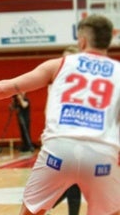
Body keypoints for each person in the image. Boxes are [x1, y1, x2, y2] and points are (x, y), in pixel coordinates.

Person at [0, 14, 120, 215]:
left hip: (59, 150)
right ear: (110, 38)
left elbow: (5, 89)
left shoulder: (60, 64)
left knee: (30, 212)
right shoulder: (118, 72)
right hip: (101, 152)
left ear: (83, 40)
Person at [49, 45, 82, 215]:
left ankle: (46, 205)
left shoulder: (86, 83)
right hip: (64, 138)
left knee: (73, 180)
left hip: (83, 137)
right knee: (72, 179)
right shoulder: (58, 83)